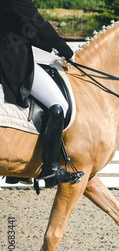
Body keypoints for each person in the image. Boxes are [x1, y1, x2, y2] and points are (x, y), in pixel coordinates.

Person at [0, 0, 83, 188]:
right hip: (12, 59)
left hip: (9, 50)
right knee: (58, 104)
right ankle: (51, 169)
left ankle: (16, 172)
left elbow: (26, 29)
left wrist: (52, 49)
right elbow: (39, 24)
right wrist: (67, 52)